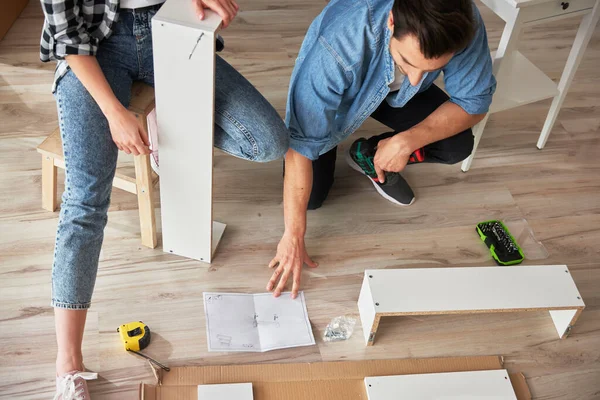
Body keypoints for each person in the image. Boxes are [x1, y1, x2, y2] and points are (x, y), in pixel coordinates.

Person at [40, 0, 289, 398]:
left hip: (168, 26)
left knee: (269, 141)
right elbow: (69, 40)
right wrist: (114, 112)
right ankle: (68, 365)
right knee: (85, 201)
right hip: (95, 49)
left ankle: (162, 124)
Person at [266, 0, 496, 298]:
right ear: (391, 22)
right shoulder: (337, 47)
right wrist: (292, 236)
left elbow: (475, 102)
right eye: (407, 62)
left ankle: (370, 151)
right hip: (346, 95)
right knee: (310, 200)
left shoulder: (461, 21)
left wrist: (406, 141)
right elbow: (300, 146)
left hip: (397, 98)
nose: (415, 78)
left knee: (457, 145)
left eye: (431, 69)